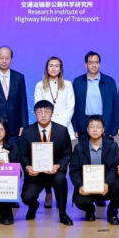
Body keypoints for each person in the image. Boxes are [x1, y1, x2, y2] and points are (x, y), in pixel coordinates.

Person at [19, 100, 73, 226]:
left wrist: (58, 166)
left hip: (54, 172)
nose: (43, 115)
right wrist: (27, 167)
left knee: (61, 180)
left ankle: (63, 214)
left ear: (52, 113)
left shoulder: (62, 131)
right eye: (39, 112)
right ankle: (33, 206)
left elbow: (67, 154)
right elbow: (23, 155)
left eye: (47, 112)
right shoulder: (27, 132)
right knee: (26, 198)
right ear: (35, 114)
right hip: (35, 174)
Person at [34, 56, 75, 208]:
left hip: (64, 129)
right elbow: (38, 106)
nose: (53, 68)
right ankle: (48, 193)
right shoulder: (40, 85)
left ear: (60, 69)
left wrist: (59, 127)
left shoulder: (68, 85)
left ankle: (60, 194)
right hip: (45, 128)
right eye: (51, 65)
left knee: (62, 161)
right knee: (46, 162)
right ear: (47, 68)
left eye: (56, 66)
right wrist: (49, 124)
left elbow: (70, 107)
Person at [69, 115, 119, 225]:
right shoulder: (79, 147)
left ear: (103, 129)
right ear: (87, 129)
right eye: (91, 126)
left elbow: (114, 168)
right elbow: (74, 170)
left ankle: (112, 213)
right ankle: (90, 211)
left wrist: (107, 183)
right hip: (87, 186)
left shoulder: (112, 146)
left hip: (106, 186)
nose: (94, 130)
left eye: (98, 127)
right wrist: (80, 186)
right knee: (79, 200)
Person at [72, 51, 117, 141]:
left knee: (105, 149)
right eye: (91, 63)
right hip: (84, 125)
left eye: (96, 62)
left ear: (99, 64)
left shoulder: (109, 81)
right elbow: (73, 106)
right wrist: (75, 127)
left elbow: (115, 105)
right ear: (86, 65)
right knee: (84, 149)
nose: (94, 65)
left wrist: (114, 128)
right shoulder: (78, 82)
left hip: (104, 123)